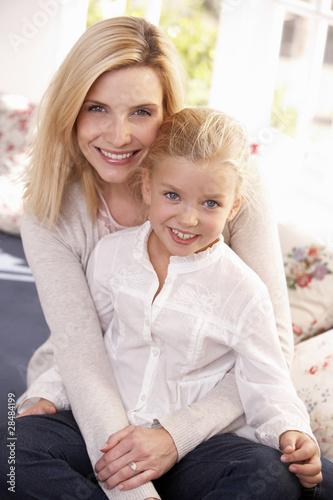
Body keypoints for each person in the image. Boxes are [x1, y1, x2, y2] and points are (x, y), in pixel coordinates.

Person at [0, 15, 312, 500]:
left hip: (204, 418)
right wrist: (134, 489)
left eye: (142, 112)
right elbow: (83, 357)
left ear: (168, 113)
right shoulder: (53, 213)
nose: (119, 135)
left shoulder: (227, 179)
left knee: (285, 477)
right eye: (97, 108)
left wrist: (174, 435)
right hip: (94, 400)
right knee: (12, 447)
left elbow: (270, 344)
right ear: (70, 111)